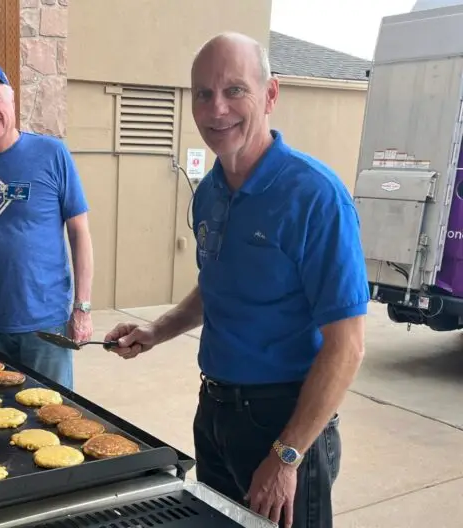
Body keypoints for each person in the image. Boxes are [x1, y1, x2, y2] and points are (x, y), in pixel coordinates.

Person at [104, 33, 369, 528]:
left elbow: (347, 345)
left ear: (270, 95)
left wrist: (287, 456)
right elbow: (219, 284)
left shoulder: (315, 197)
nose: (217, 108)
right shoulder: (209, 192)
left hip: (284, 420)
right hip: (216, 410)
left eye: (234, 90)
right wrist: (156, 331)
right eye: (203, 93)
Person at [0, 59, 94, 391]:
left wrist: (82, 307)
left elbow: (79, 233)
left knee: (54, 419)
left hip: (46, 323)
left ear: (11, 101)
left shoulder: (51, 154)